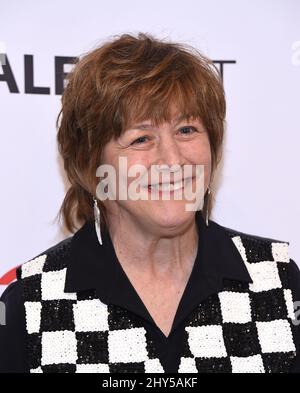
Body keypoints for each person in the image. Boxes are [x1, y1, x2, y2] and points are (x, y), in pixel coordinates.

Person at [0, 32, 299, 373]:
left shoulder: (276, 280)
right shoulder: (31, 302)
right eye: (141, 138)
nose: (172, 160)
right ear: (91, 163)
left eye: (187, 130)